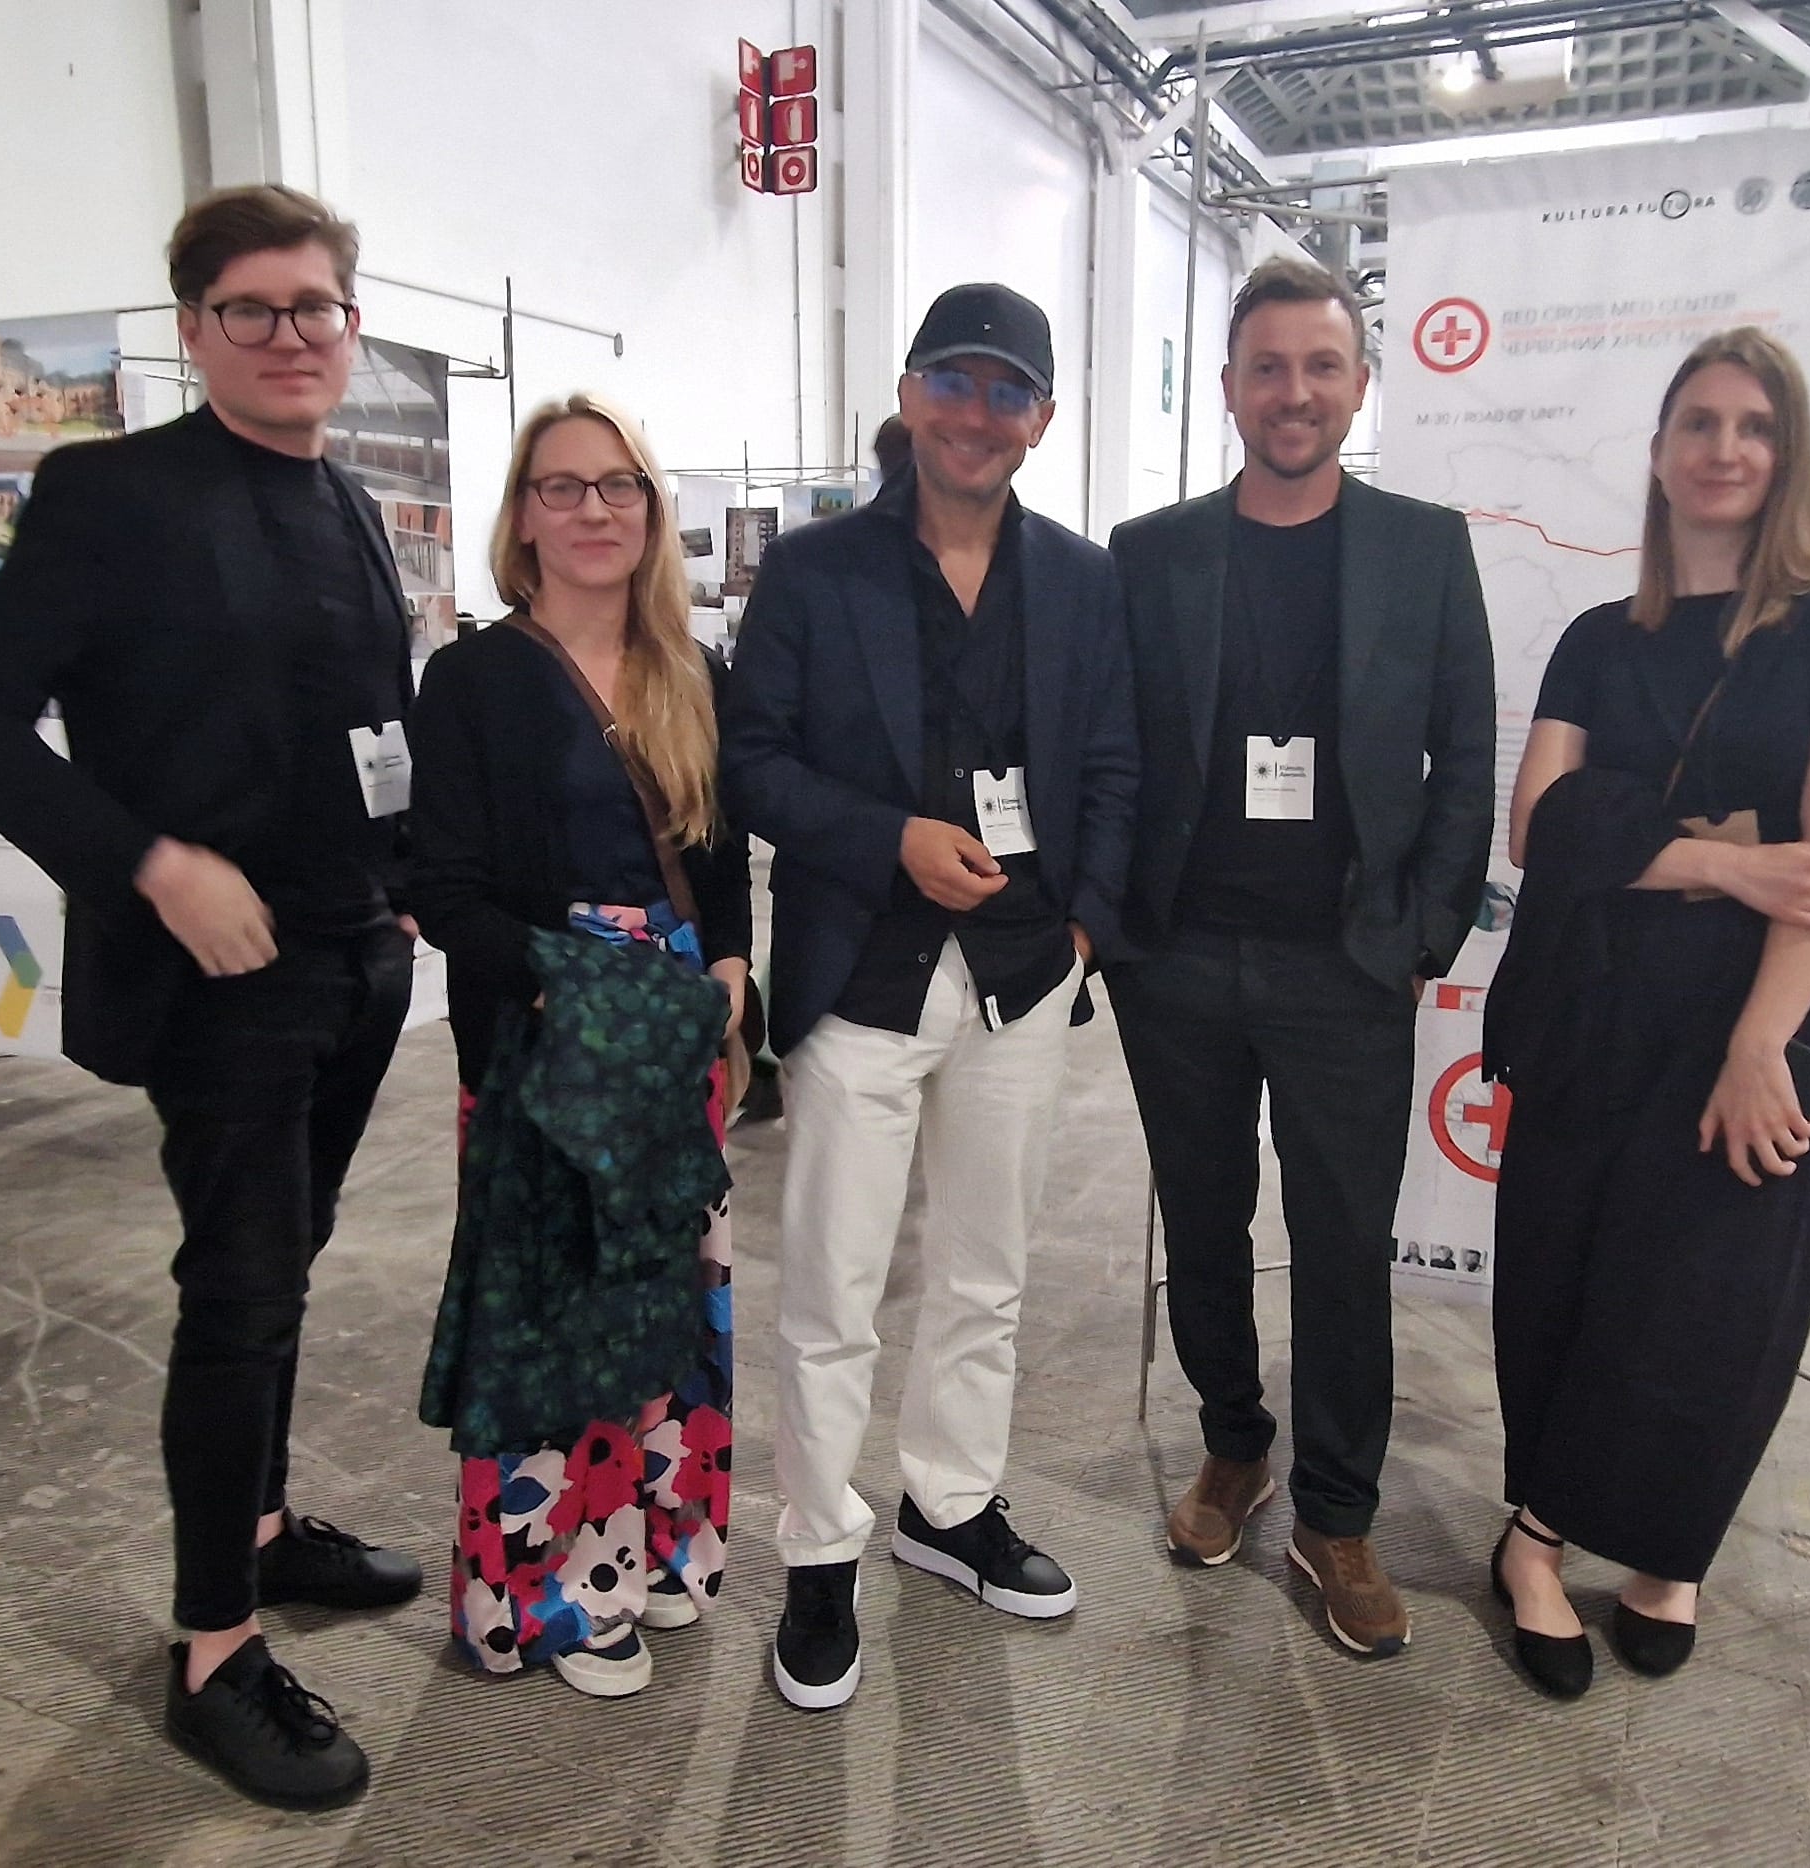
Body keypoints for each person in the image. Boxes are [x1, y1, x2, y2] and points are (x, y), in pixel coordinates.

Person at [0, 184, 421, 1811]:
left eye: (314, 307)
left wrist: (408, 871)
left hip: (355, 956)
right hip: (221, 978)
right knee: (241, 1292)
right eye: (249, 309)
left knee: (293, 1261)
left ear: (351, 327)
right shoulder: (113, 495)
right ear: (196, 329)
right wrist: (146, 864)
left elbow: (364, 722)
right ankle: (214, 1648)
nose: (287, 335)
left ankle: (261, 1528)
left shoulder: (347, 499)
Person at [721, 282, 1137, 1712]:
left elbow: (1116, 764)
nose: (977, 412)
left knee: (986, 1270)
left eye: (1007, 390)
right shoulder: (815, 571)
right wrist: (887, 835)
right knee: (833, 1283)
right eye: (953, 381)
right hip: (864, 972)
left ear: (1043, 419)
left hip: (1022, 972)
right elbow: (752, 761)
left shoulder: (1081, 581)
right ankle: (819, 1548)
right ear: (909, 396)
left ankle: (949, 1506)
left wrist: (1085, 929)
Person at [1478, 327, 1810, 1703]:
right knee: (1565, 1277)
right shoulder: (1600, 640)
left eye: (1754, 426)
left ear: (1788, 454)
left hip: (1764, 1016)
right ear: (1660, 454)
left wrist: (1758, 1042)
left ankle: (1672, 1549)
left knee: (1714, 1305)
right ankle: (1535, 1540)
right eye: (1700, 424)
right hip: (1597, 1011)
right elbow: (1537, 829)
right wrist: (1728, 857)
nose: (1726, 449)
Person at [1103, 256, 1493, 1658]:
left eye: (1321, 366)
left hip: (1347, 966)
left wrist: (1421, 937)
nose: (1294, 391)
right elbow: (1109, 746)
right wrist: (1115, 930)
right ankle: (1234, 1444)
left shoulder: (1422, 548)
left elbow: (1466, 755)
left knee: (1340, 1247)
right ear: (1227, 389)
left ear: (1359, 384)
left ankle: (1337, 1512)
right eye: (1267, 367)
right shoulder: (1150, 553)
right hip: (1181, 961)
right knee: (1204, 1225)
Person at [406, 394, 748, 1700]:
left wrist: (728, 972)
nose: (593, 509)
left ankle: (659, 1544)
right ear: (522, 517)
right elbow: (444, 889)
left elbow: (721, 855)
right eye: (562, 486)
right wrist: (573, 989)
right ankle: (551, 1595)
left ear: (652, 510)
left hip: (670, 1042)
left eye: (618, 485)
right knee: (554, 1322)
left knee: (669, 1299)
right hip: (546, 1042)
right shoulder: (473, 679)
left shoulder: (691, 671)